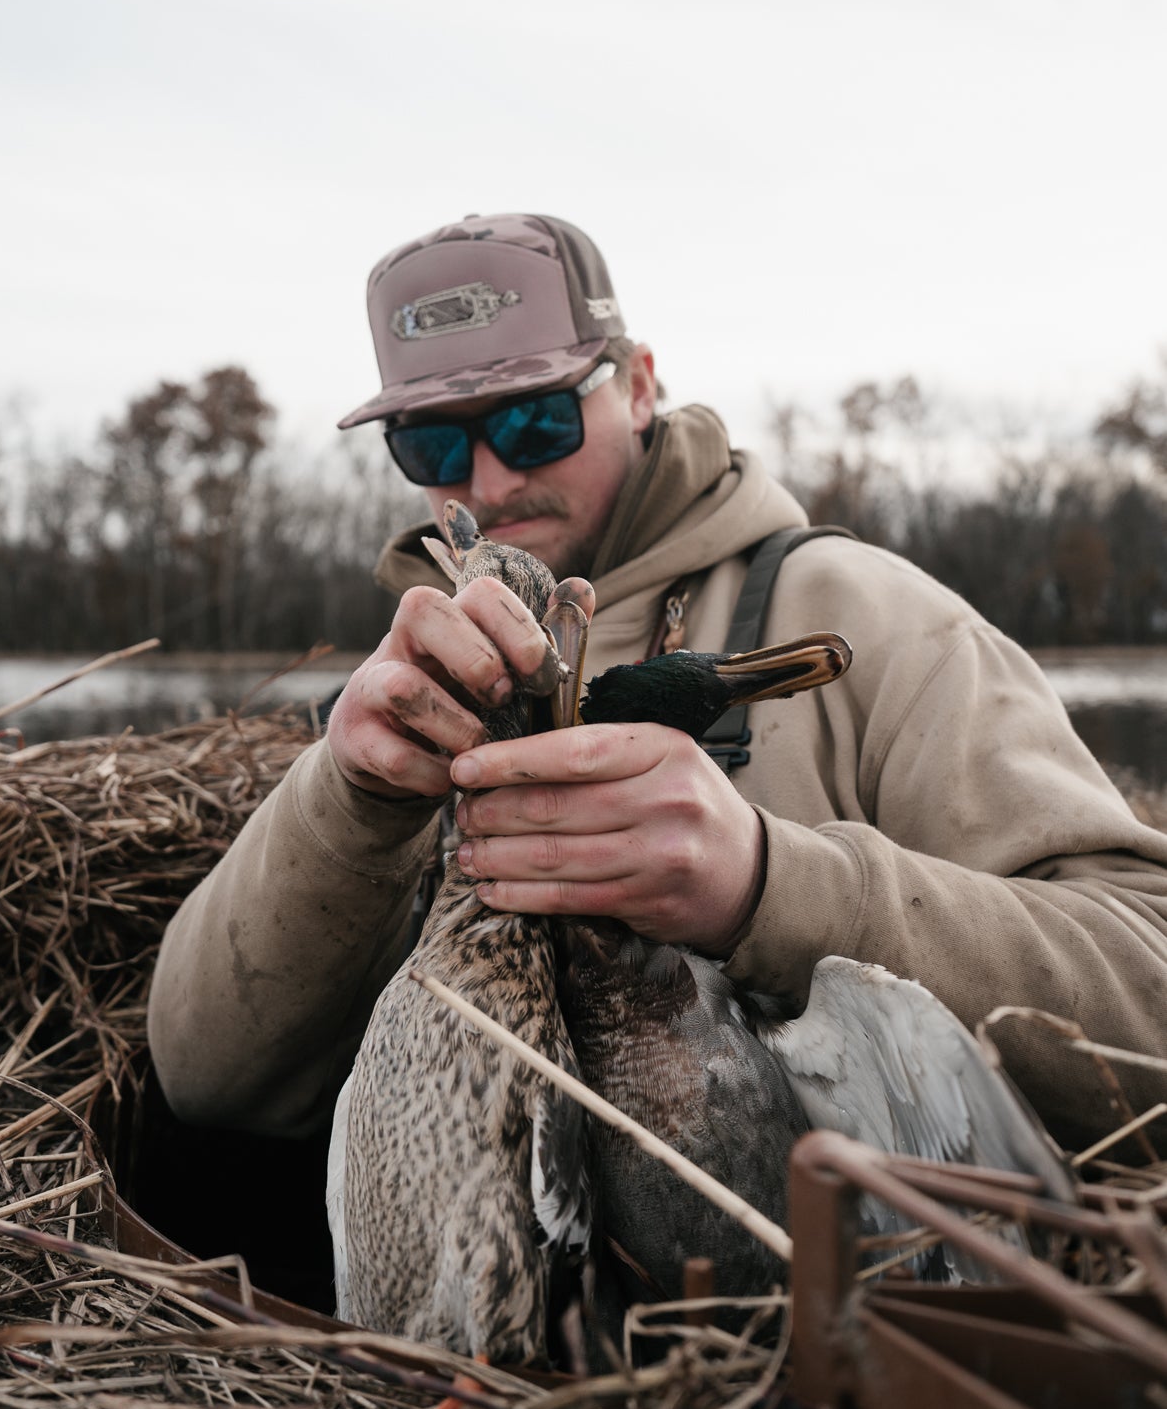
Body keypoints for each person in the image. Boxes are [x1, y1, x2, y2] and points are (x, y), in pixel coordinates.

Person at [148, 213, 1167, 1152]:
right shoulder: (395, 683)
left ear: (638, 384)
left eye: (537, 419)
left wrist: (769, 883)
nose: (492, 479)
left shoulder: (862, 614)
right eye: (434, 440)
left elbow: (1148, 999)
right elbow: (204, 1082)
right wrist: (348, 798)